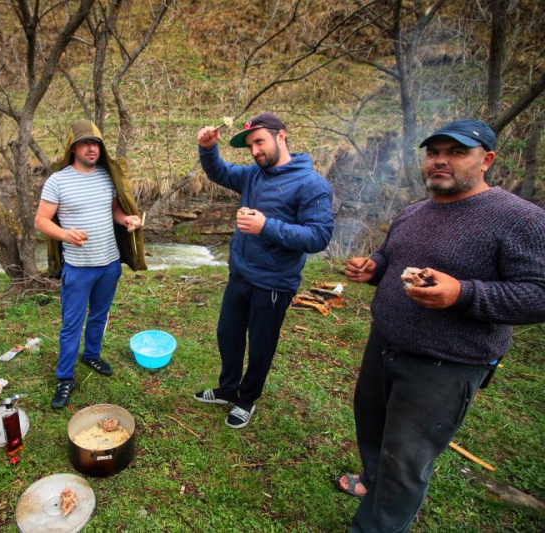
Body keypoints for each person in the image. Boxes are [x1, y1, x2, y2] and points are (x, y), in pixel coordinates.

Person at [338, 119, 545, 532]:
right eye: (434, 153)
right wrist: (373, 267)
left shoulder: (520, 218)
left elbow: (539, 294)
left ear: (486, 160)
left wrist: (464, 293)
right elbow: (390, 257)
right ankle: (373, 481)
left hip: (443, 366)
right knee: (373, 429)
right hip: (384, 345)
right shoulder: (415, 211)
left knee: (406, 459)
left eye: (455, 152)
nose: (441, 161)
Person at [194, 113, 334, 428]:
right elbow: (219, 170)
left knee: (261, 345)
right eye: (251, 146)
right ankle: (228, 389)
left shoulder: (311, 184)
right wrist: (207, 148)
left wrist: (265, 226)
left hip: (274, 282)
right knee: (227, 334)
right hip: (241, 273)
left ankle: (247, 399)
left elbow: (318, 237)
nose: (255, 151)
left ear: (280, 136)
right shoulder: (253, 175)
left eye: (260, 141)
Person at [35, 120, 146, 409]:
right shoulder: (57, 181)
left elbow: (114, 211)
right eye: (85, 143)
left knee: (99, 315)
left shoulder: (107, 178)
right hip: (78, 267)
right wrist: (65, 234)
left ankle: (92, 354)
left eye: (96, 143)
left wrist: (127, 219)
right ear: (73, 148)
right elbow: (41, 220)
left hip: (109, 264)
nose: (92, 148)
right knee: (72, 324)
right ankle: (64, 377)